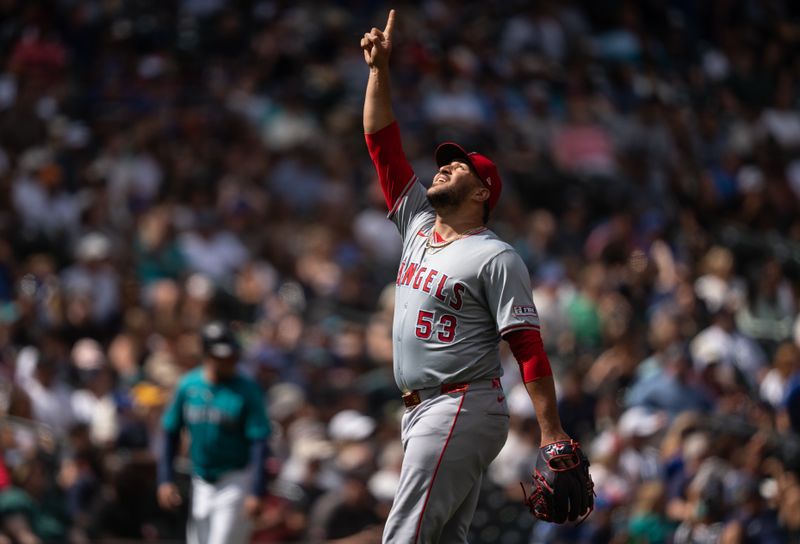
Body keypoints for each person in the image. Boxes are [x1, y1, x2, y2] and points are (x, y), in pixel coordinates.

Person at [361, 10, 592, 543]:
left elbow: (528, 347)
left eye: (459, 166)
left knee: (406, 534)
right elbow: (382, 144)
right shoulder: (418, 221)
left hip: (461, 401)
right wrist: (379, 71)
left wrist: (551, 429)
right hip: (423, 408)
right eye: (444, 163)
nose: (443, 167)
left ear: (483, 191)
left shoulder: (495, 256)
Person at [156, 321, 271, 544]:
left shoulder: (247, 389)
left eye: (233, 356)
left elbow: (260, 443)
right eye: (222, 357)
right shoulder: (189, 386)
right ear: (207, 355)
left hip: (236, 478)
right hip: (200, 478)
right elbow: (170, 432)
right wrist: (165, 480)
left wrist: (256, 491)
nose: (230, 362)